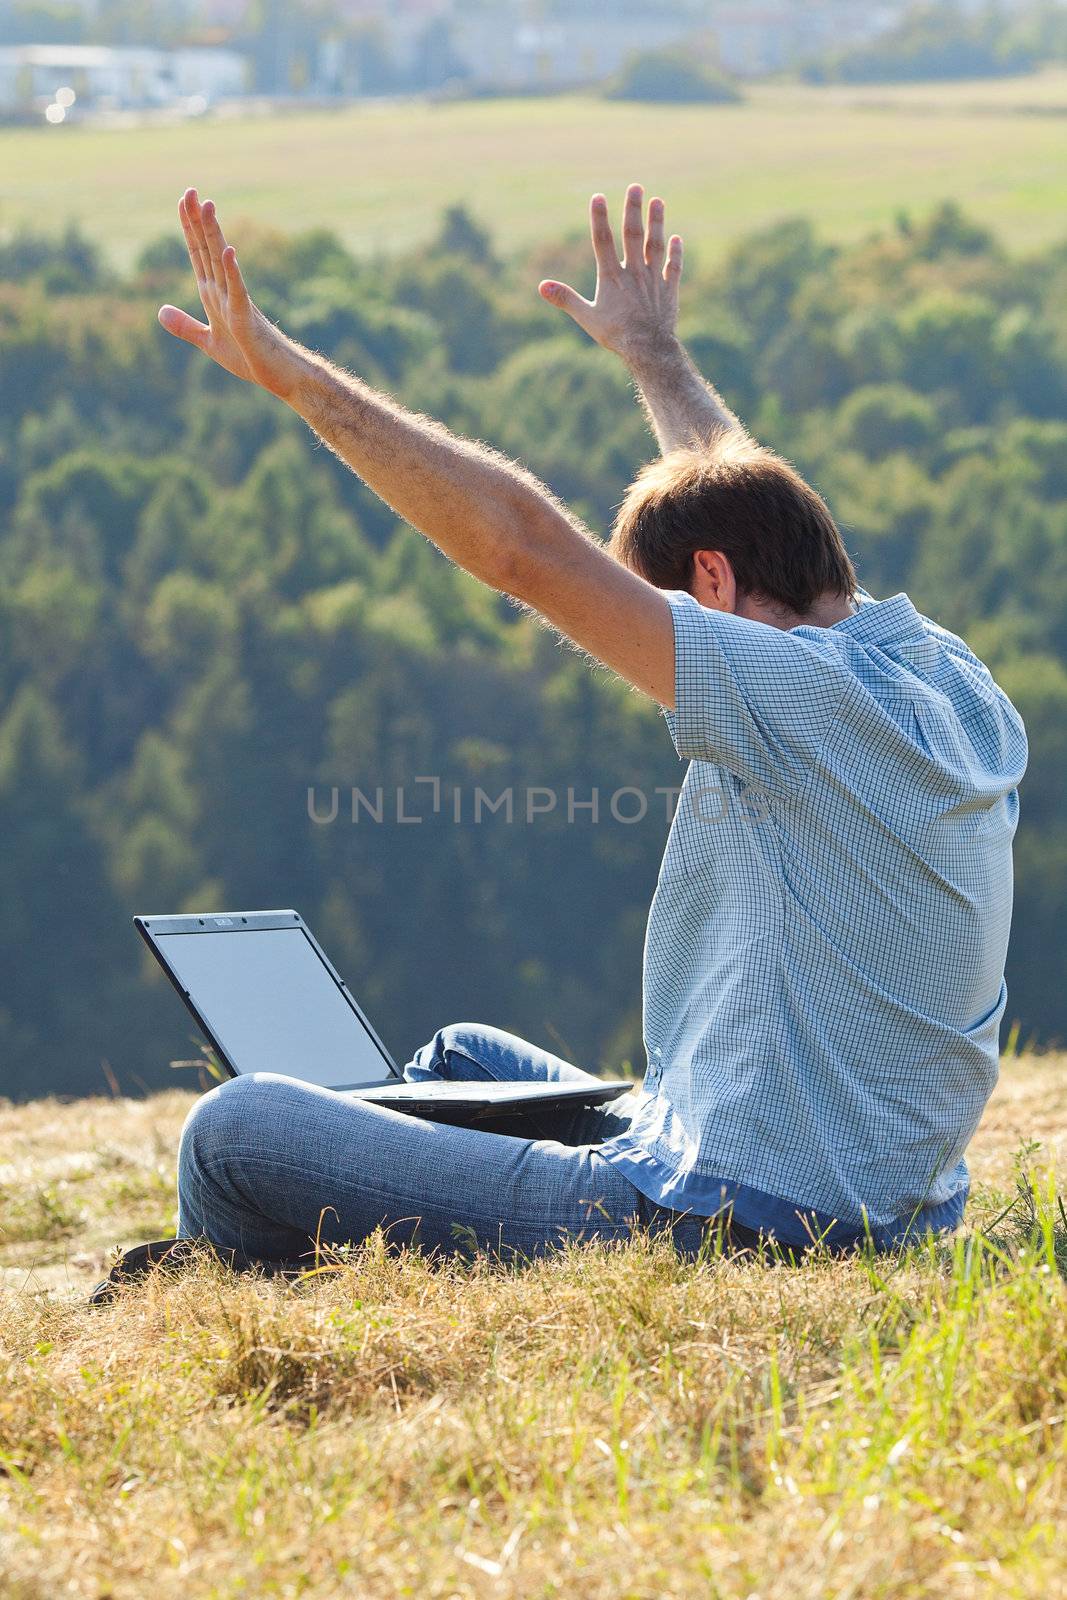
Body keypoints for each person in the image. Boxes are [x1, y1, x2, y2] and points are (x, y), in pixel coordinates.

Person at [166, 184, 1026, 1265]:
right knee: (460, 1057)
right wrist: (652, 359)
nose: (644, 650)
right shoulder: (928, 669)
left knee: (232, 1131)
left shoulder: (786, 692)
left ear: (709, 582)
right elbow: (749, 496)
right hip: (855, 1188)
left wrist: (293, 380)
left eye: (658, 614)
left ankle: (261, 1301)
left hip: (729, 1220)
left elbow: (520, 547)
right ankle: (362, 1238)